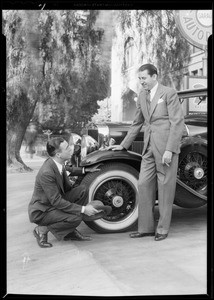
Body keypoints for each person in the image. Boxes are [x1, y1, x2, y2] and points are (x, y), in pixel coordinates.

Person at [108, 63, 184, 241]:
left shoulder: (169, 93)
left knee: (165, 189)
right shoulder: (142, 95)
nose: (141, 82)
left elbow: (177, 123)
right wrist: (124, 145)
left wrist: (170, 150)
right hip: (148, 147)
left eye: (144, 78)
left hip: (166, 148)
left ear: (154, 76)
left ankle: (163, 229)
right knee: (143, 184)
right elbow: (137, 123)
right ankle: (146, 228)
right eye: (139, 78)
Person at [28, 136, 111, 248]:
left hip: (53, 203)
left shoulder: (56, 163)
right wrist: (83, 209)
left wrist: (85, 170)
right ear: (58, 154)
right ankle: (42, 229)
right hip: (43, 210)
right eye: (67, 148)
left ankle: (68, 231)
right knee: (77, 217)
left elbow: (67, 169)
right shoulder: (46, 173)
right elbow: (56, 201)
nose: (71, 149)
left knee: (82, 190)